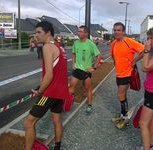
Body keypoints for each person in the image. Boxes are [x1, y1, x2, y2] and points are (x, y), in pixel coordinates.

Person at [23, 21, 70, 150]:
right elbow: (56, 71)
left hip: (50, 93)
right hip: (61, 92)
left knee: (28, 122)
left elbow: (49, 75)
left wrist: (40, 91)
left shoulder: (47, 47)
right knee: (56, 120)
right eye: (36, 32)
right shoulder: (59, 47)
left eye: (39, 32)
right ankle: (57, 147)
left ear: (48, 33)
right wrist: (40, 86)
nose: (36, 35)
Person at [111, 22, 144, 129]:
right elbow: (113, 56)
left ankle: (125, 119)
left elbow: (144, 50)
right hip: (118, 74)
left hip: (127, 74)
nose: (116, 32)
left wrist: (134, 61)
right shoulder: (113, 43)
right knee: (123, 96)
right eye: (115, 30)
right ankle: (122, 115)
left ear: (123, 32)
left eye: (119, 30)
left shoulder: (129, 41)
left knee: (120, 95)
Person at [69, 25, 101, 115]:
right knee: (71, 87)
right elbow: (73, 53)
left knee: (88, 89)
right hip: (77, 70)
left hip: (86, 71)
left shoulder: (90, 44)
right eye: (78, 31)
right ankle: (68, 101)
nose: (79, 33)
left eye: (81, 31)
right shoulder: (76, 43)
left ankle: (89, 105)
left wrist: (94, 67)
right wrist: (73, 63)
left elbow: (99, 56)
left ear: (86, 33)